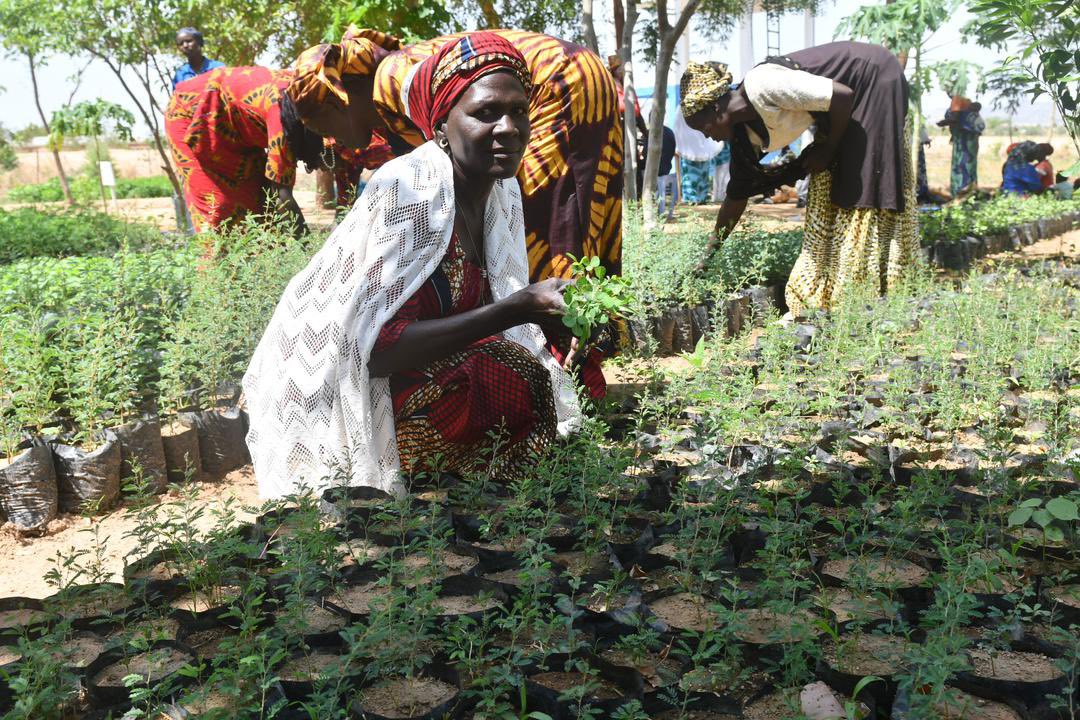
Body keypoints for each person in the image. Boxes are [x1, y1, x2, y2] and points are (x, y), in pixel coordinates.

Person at [243, 32, 581, 498]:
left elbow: (488, 307)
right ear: (442, 125)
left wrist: (554, 322)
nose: (509, 128)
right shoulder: (412, 191)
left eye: (518, 111)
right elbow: (375, 351)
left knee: (533, 369)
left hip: (415, 364)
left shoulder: (500, 190)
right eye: (486, 113)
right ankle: (429, 496)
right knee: (495, 374)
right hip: (336, 382)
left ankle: (484, 496)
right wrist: (516, 310)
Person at [287, 28, 623, 284]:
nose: (328, 137)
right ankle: (584, 326)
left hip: (557, 80)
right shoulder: (390, 89)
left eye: (318, 124)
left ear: (336, 100)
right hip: (581, 72)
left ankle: (558, 342)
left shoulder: (391, 81)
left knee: (540, 224)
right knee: (579, 206)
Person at [681, 42, 918, 315]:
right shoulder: (743, 135)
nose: (706, 135)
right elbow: (737, 195)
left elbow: (841, 95)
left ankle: (867, 296)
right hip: (842, 108)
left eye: (703, 126)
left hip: (872, 79)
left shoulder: (764, 85)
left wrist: (828, 147)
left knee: (860, 186)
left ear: (715, 108)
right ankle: (832, 296)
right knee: (827, 188)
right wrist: (707, 257)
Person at [165, 66, 328, 237]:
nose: (322, 168)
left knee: (257, 198)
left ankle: (265, 260)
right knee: (218, 210)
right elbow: (281, 196)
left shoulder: (313, 99)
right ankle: (218, 262)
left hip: (235, 130)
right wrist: (312, 251)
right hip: (194, 114)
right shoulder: (283, 116)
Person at [673, 106, 724, 204]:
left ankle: (700, 198)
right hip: (689, 145)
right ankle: (691, 198)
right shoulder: (683, 107)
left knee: (701, 174)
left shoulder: (699, 104)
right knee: (690, 175)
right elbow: (679, 125)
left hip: (701, 143)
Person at [937, 98, 985, 198]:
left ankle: (964, 192)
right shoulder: (963, 103)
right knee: (964, 165)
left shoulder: (960, 103)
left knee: (964, 165)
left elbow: (955, 119)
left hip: (966, 142)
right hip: (965, 142)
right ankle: (965, 192)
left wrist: (945, 122)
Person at [654, 125, 678, 221]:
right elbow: (673, 150)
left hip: (656, 172)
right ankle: (665, 211)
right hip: (667, 169)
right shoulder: (669, 132)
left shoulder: (650, 132)